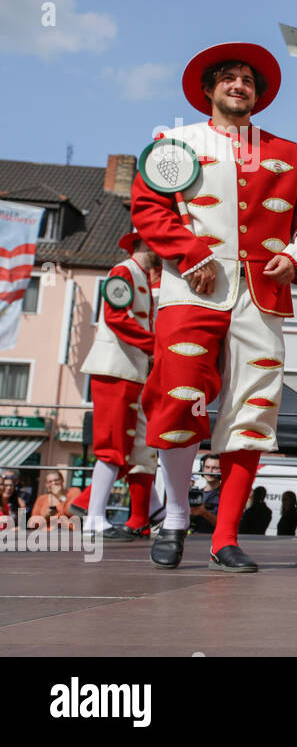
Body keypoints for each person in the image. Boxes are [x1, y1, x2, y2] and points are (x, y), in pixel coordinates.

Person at [132, 42, 297, 572]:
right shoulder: (175, 142)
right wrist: (190, 252)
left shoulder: (287, 152)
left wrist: (296, 259)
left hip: (262, 296)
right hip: (192, 290)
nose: (239, 85)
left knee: (253, 412)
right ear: (209, 89)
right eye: (228, 77)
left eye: (248, 79)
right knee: (179, 401)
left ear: (258, 94)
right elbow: (149, 209)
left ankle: (225, 538)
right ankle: (176, 517)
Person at [72, 231, 161, 539]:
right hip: (116, 368)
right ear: (145, 243)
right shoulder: (124, 271)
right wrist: (155, 345)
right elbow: (116, 317)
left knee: (129, 445)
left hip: (130, 370)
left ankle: (95, 510)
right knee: (113, 446)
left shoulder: (139, 276)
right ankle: (93, 516)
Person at [189, 454, 222, 535]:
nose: (210, 471)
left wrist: (204, 512)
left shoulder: (225, 495)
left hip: (212, 538)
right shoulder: (196, 493)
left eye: (215, 468)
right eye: (207, 467)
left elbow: (225, 526)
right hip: (192, 537)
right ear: (202, 468)